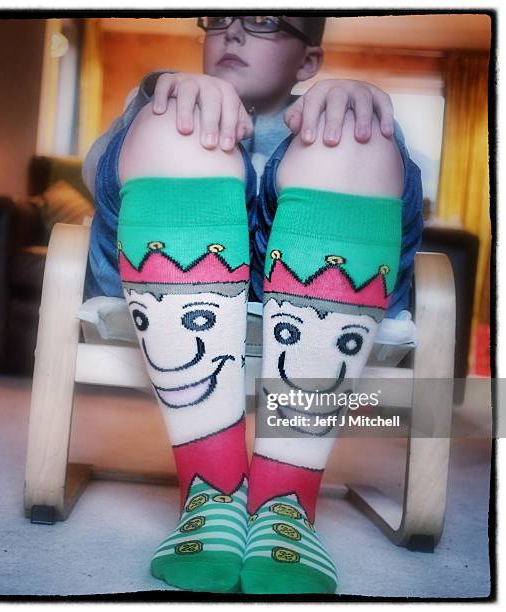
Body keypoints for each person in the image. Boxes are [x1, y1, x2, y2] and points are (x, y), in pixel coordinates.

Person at [82, 15, 423, 595]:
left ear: (308, 61)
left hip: (319, 287)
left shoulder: (327, 101)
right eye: (220, 19)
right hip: (159, 265)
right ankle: (211, 491)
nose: (233, 33)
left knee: (352, 129)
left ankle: (284, 503)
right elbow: (95, 175)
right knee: (178, 119)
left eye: (263, 22)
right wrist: (154, 95)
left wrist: (356, 103)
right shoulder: (155, 98)